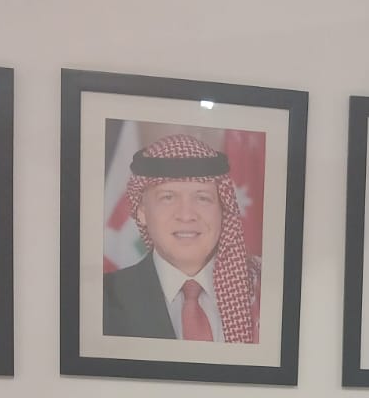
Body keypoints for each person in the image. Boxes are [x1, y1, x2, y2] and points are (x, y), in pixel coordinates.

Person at [103, 134, 260, 343]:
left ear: (223, 209)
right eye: (168, 197)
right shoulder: (102, 300)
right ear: (141, 211)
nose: (186, 215)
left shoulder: (262, 291)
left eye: (202, 198)